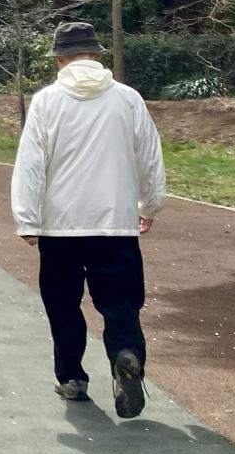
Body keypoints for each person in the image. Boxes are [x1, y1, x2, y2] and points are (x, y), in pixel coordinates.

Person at [9, 21, 166, 418]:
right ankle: (125, 353)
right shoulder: (128, 99)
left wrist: (27, 219)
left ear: (59, 59)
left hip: (59, 225)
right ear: (96, 54)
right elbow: (149, 156)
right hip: (115, 222)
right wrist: (149, 205)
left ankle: (72, 377)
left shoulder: (46, 101)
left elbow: (31, 163)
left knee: (62, 303)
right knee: (120, 301)